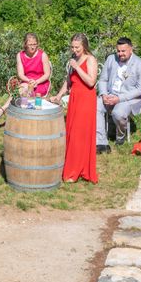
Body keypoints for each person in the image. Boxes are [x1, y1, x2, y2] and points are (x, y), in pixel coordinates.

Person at [50, 33, 98, 184]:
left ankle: (77, 170)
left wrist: (77, 67)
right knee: (72, 133)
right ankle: (73, 167)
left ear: (84, 46)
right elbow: (68, 81)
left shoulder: (90, 59)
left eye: (77, 47)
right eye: (72, 47)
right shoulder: (74, 60)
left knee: (80, 134)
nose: (74, 49)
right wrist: (58, 96)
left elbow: (91, 82)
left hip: (86, 99)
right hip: (74, 98)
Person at [96, 37, 141, 154]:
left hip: (129, 99)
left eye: (123, 51)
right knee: (94, 105)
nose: (120, 54)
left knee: (118, 113)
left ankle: (120, 136)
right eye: (118, 51)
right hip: (110, 94)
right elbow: (103, 80)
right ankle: (101, 142)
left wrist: (119, 99)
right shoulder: (111, 59)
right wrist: (104, 94)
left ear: (131, 49)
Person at [0, 33, 52, 118]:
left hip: (41, 83)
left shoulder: (42, 55)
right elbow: (20, 74)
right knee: (22, 88)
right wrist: (29, 81)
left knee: (24, 90)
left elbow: (47, 74)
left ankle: (13, 112)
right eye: (30, 44)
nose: (33, 47)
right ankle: (6, 109)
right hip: (26, 81)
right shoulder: (20, 55)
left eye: (35, 44)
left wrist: (36, 81)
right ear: (25, 44)